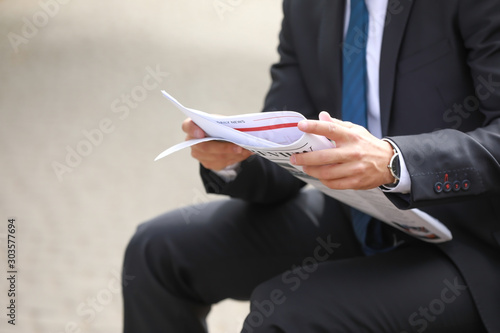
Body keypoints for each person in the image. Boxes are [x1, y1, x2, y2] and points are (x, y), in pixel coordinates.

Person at [122, 0, 500, 332]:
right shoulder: (307, 6)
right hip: (360, 212)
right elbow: (287, 151)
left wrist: (396, 162)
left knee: (287, 315)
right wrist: (236, 157)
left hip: (473, 243)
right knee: (157, 252)